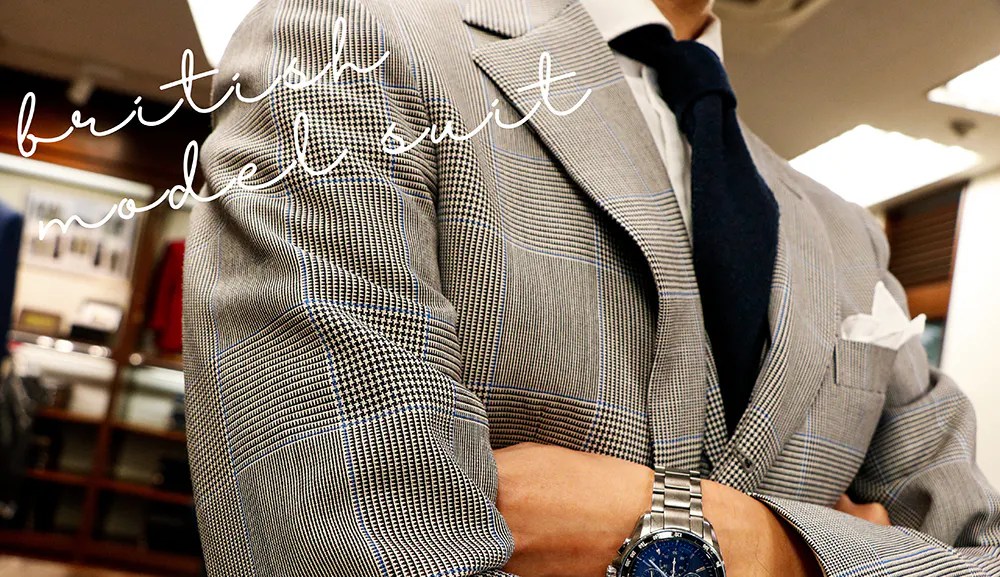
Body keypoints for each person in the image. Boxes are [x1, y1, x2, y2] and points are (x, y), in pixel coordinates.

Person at [182, 0, 1000, 575]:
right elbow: (341, 548)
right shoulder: (344, 44)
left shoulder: (850, 232)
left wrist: (760, 546)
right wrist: (866, 555)